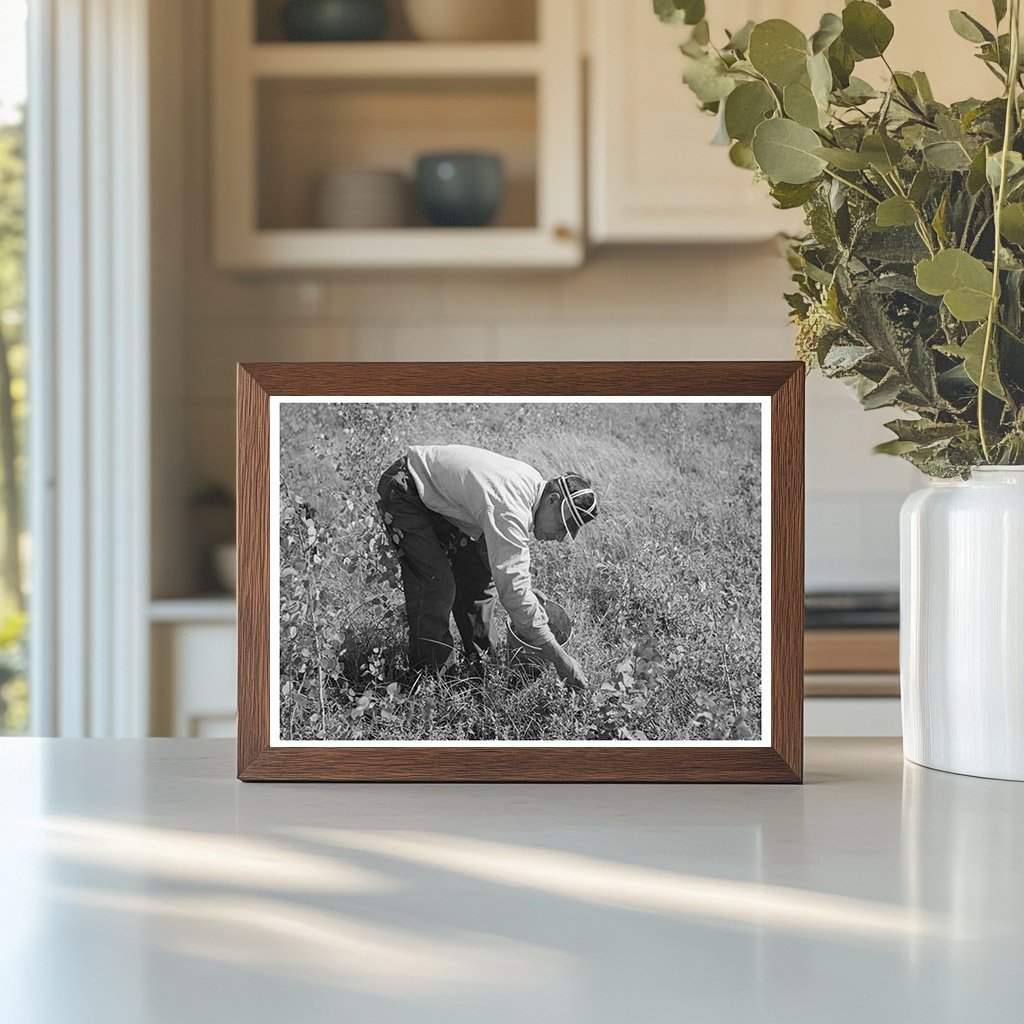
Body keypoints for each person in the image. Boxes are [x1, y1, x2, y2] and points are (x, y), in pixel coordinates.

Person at [375, 444, 598, 690]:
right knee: (436, 586)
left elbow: (491, 546)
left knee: (479, 580)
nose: (560, 537)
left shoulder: (532, 486)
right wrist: (560, 659)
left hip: (433, 497)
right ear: (553, 500)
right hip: (405, 489)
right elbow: (513, 590)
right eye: (564, 525)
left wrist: (524, 591)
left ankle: (482, 671)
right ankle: (432, 685)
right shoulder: (511, 508)